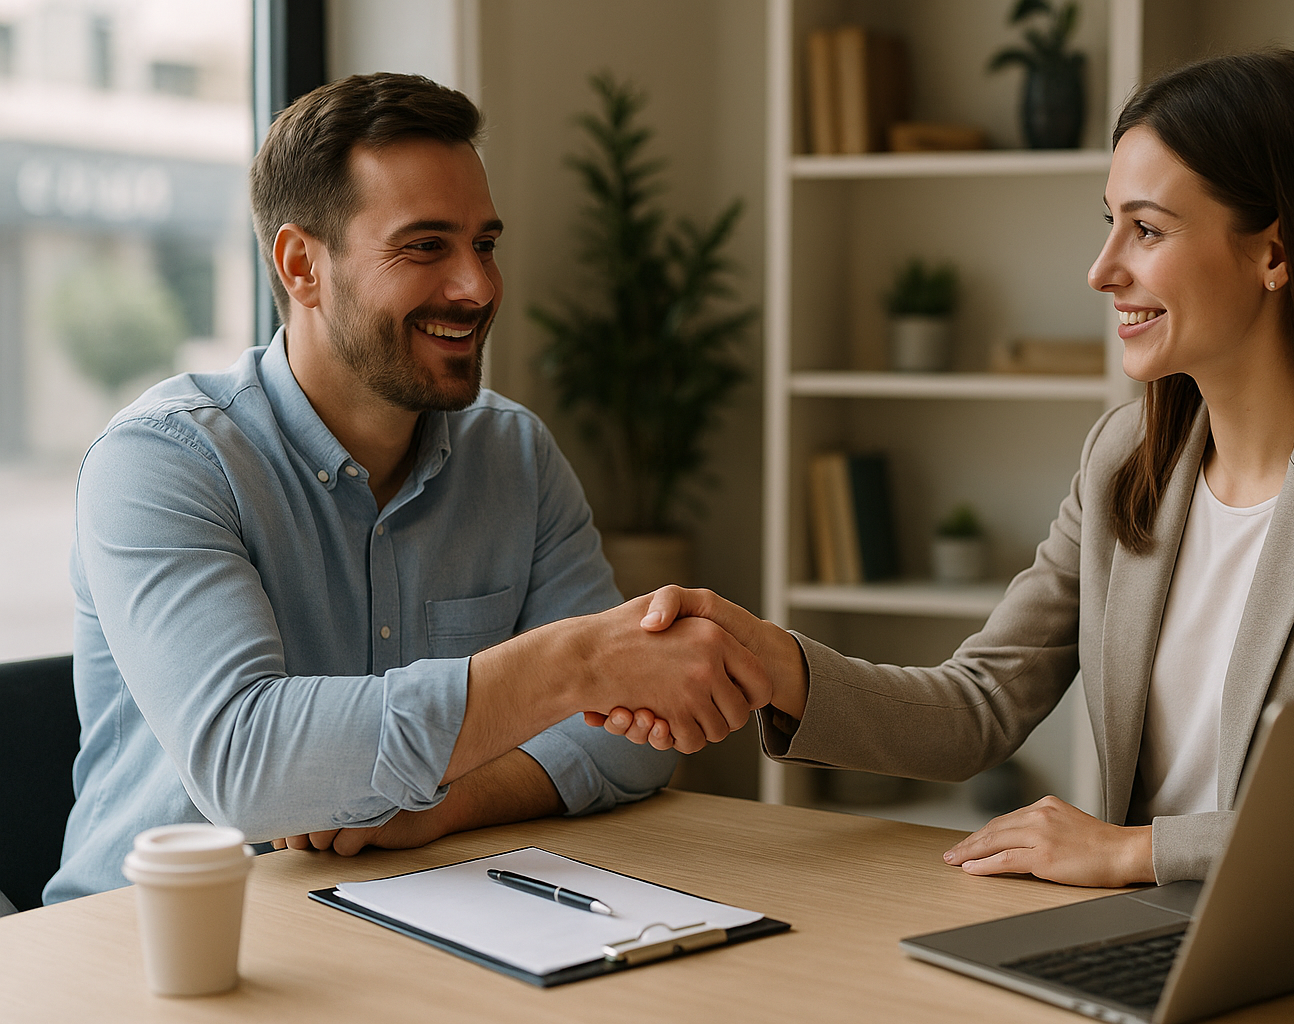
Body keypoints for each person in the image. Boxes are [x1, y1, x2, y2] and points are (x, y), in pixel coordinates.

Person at [595, 50, 1294, 888]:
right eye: (1109, 224)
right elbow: (980, 705)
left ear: (1275, 250)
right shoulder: (1126, 457)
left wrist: (1130, 850)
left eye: (1147, 230)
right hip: (1130, 933)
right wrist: (773, 662)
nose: (1101, 269)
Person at [47, 73, 768, 903]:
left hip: (416, 919)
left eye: (485, 244)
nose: (479, 286)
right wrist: (573, 663)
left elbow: (636, 740)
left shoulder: (515, 455)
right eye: (426, 246)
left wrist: (449, 802)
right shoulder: (163, 462)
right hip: (147, 956)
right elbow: (249, 769)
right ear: (301, 265)